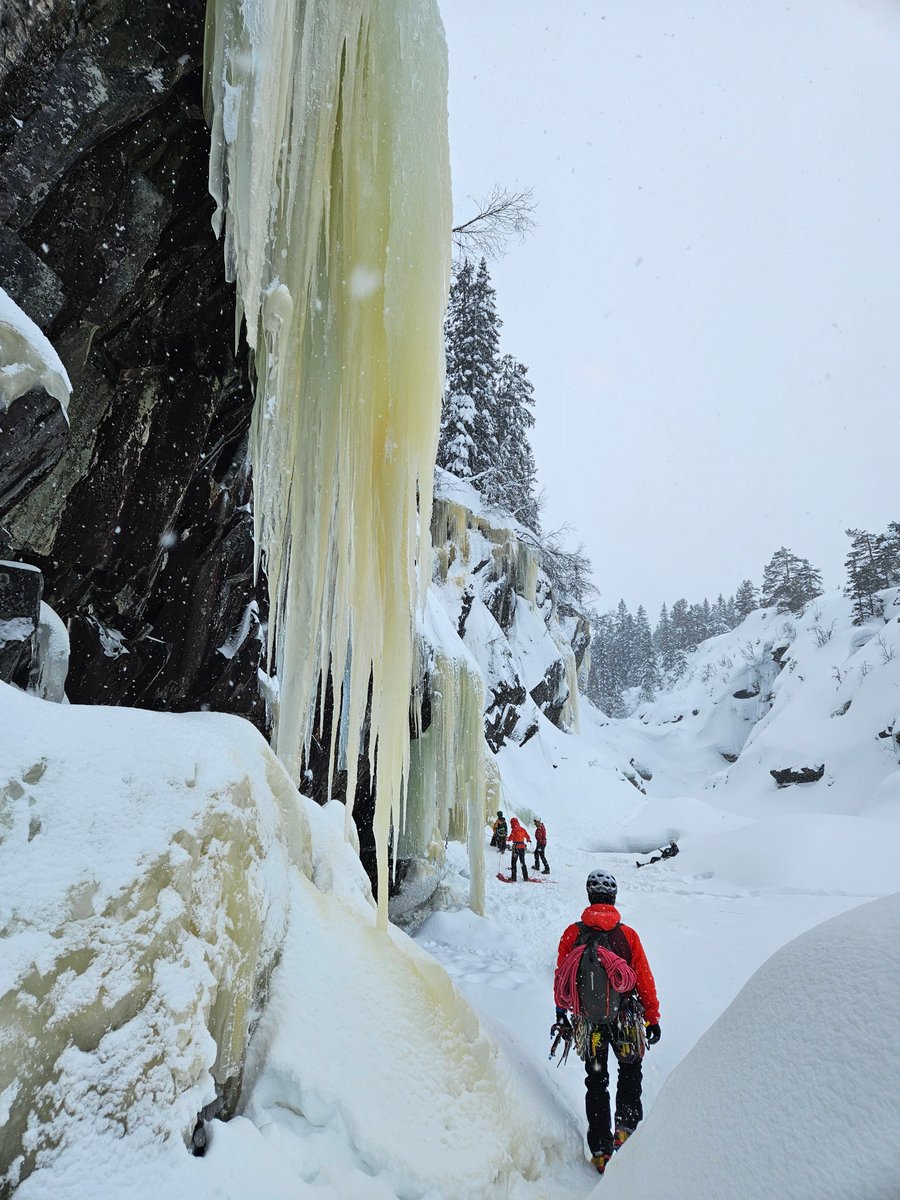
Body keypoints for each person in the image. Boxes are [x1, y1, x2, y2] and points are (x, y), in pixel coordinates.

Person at [554, 869, 660, 1176]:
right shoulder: (627, 936)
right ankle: (626, 1135)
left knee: (596, 1081)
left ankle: (600, 1150)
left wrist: (561, 1013)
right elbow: (643, 980)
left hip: (590, 1023)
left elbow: (562, 978)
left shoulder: (573, 933)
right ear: (613, 898)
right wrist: (652, 1018)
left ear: (590, 897)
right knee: (629, 1073)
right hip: (625, 1018)